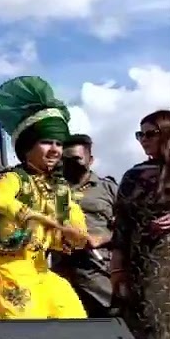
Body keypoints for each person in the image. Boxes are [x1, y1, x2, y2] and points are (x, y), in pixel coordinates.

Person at [0, 76, 90, 319]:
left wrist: (77, 235)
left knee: (74, 319)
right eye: (46, 142)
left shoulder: (61, 191)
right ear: (28, 146)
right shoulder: (13, 180)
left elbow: (78, 227)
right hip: (8, 271)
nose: (54, 150)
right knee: (27, 332)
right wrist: (38, 217)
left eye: (58, 144)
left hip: (41, 271)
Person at [112, 109, 170, 339]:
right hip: (144, 265)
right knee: (147, 330)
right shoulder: (134, 176)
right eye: (140, 134)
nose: (144, 141)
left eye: (151, 133)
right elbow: (120, 226)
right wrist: (117, 269)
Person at [47, 134, 118, 318]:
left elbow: (129, 228)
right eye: (66, 159)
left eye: (77, 159)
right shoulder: (52, 190)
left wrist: (100, 239)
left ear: (90, 160)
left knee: (115, 317)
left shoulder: (108, 189)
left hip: (99, 269)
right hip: (63, 271)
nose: (71, 164)